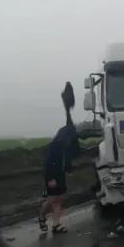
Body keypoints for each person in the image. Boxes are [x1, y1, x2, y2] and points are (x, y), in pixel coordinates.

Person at [38, 82, 80, 234]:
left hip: (60, 174)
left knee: (59, 200)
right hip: (52, 174)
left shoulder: (65, 147)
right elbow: (48, 162)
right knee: (51, 200)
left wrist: (69, 170)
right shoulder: (54, 146)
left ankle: (56, 225)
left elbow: (67, 159)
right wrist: (50, 179)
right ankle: (42, 217)